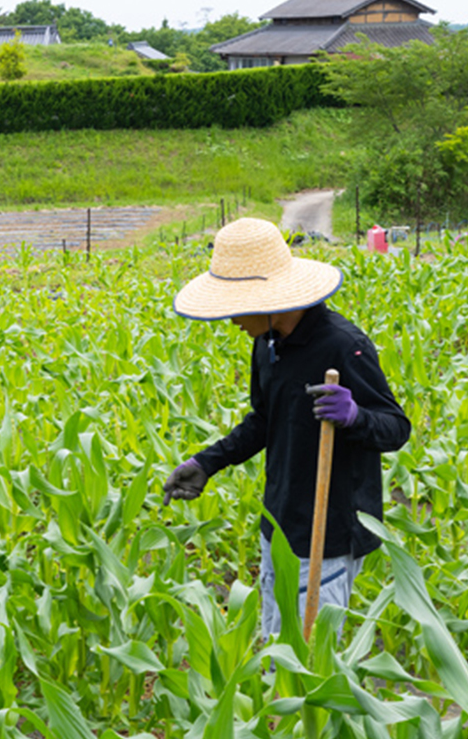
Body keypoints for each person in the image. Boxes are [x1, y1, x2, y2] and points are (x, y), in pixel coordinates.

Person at [162, 217, 410, 636]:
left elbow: (395, 427)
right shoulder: (267, 343)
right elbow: (264, 420)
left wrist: (355, 417)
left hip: (327, 534)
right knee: (277, 654)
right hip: (280, 525)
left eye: (235, 308)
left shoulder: (341, 344)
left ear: (265, 300)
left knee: (310, 666)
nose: (232, 321)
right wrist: (207, 463)